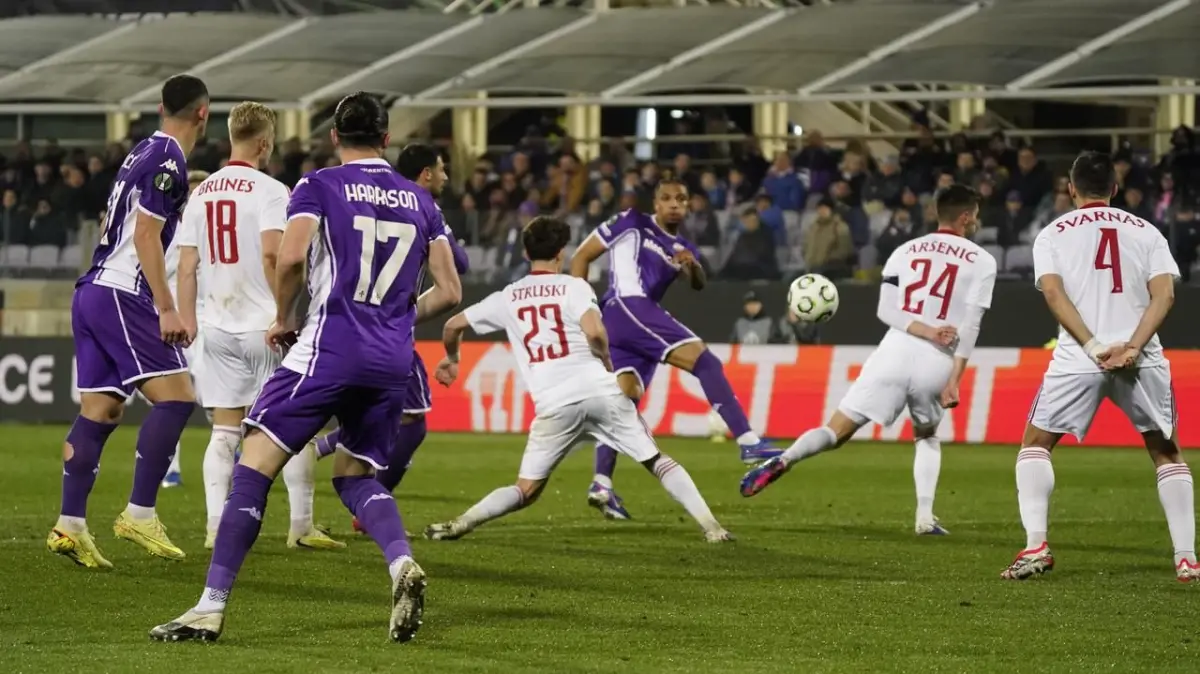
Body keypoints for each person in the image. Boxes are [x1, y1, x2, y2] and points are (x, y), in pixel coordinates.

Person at [149, 92, 462, 643]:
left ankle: (210, 606)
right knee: (355, 475)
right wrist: (396, 316)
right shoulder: (420, 199)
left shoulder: (318, 185)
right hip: (391, 357)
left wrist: (283, 316)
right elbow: (451, 289)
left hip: (330, 344)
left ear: (334, 137)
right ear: (387, 140)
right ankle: (400, 563)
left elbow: (290, 257)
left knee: (254, 462)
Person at [424, 216, 732, 543]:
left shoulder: (507, 297)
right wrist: (607, 361)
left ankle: (461, 523)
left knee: (525, 490)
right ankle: (713, 528)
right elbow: (596, 332)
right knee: (657, 461)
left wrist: (453, 358)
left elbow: (452, 325)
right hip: (600, 392)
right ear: (561, 253)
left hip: (554, 405)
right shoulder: (575, 286)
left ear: (527, 255)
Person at [741, 185, 997, 537]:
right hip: (936, 360)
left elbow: (885, 310)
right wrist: (954, 378)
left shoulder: (904, 251)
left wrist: (922, 328)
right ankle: (924, 517)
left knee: (836, 430)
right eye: (976, 214)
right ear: (966, 216)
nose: (977, 221)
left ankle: (784, 459)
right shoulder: (983, 261)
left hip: (893, 351)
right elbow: (971, 325)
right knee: (926, 434)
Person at [1001, 151, 1194, 582]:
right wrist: (1133, 348)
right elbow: (1165, 296)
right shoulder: (1147, 231)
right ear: (1115, 188)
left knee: (1035, 444)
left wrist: (1092, 347)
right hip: (1141, 359)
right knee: (1166, 452)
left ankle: (1036, 546)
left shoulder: (1052, 233)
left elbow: (1053, 294)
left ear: (1070, 189)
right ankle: (1186, 558)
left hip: (1078, 359)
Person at [48, 74, 208, 569]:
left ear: (162, 107)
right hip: (123, 292)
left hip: (92, 289)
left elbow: (110, 222)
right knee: (178, 397)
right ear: (204, 113)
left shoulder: (141, 150)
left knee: (101, 411)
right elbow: (144, 236)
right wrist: (165, 306)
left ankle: (70, 525)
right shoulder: (170, 162)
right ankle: (140, 513)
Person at [174, 102, 342, 551]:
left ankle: (214, 527)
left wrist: (188, 319)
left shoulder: (202, 191)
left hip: (216, 326)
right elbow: (274, 255)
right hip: (264, 326)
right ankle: (301, 526)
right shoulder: (271, 190)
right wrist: (282, 314)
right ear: (265, 142)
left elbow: (187, 266)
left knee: (225, 429)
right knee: (294, 425)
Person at [569, 180, 781, 521]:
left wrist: (690, 265)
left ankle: (601, 483)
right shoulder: (631, 221)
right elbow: (581, 256)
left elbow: (698, 284)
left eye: (681, 199)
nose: (673, 204)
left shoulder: (682, 245)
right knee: (706, 362)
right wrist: (581, 312)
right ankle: (748, 440)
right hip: (626, 307)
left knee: (623, 403)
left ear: (689, 205)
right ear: (656, 202)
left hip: (631, 324)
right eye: (666, 198)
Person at [311, 143, 470, 530]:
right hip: (389, 332)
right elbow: (458, 269)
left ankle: (298, 454)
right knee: (412, 420)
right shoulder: (419, 204)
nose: (447, 177)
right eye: (442, 169)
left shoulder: (351, 192)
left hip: (339, 326)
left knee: (351, 413)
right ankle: (371, 500)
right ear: (427, 174)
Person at [160, 169, 209, 489]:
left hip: (207, 323)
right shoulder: (163, 231)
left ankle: (234, 456)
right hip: (171, 325)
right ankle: (170, 469)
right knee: (171, 402)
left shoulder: (215, 231)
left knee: (216, 400)